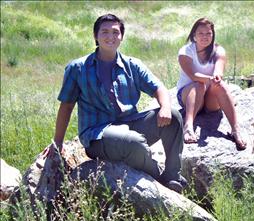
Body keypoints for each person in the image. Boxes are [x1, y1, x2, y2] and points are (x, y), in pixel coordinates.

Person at [50, 14, 187, 193]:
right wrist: (57, 143)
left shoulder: (132, 65)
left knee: (175, 117)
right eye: (105, 32)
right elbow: (66, 106)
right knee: (133, 142)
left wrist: (166, 107)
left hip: (130, 124)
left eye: (116, 32)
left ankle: (172, 175)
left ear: (121, 36)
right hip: (97, 135)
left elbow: (158, 87)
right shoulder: (77, 68)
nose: (111, 37)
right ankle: (160, 178)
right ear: (95, 36)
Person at [176, 17, 247, 150]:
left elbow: (218, 71)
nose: (205, 36)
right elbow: (193, 75)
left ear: (213, 35)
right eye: (201, 33)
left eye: (208, 33)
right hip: (189, 96)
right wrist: (209, 79)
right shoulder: (185, 52)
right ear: (194, 35)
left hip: (209, 100)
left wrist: (216, 78)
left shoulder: (218, 50)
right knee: (199, 84)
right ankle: (188, 126)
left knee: (219, 85)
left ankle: (235, 130)